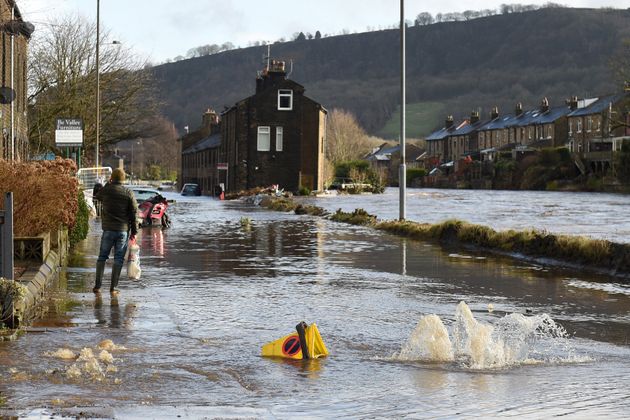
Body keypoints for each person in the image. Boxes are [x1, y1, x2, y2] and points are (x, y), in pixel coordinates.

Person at [93, 168, 138, 295]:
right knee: (118, 259)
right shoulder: (128, 193)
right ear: (123, 179)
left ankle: (97, 286)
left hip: (108, 230)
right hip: (122, 230)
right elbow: (134, 213)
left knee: (102, 257)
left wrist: (108, 183)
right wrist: (134, 231)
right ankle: (113, 288)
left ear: (112, 178)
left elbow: (97, 195)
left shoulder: (106, 190)